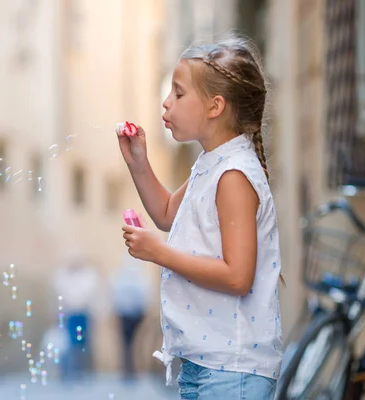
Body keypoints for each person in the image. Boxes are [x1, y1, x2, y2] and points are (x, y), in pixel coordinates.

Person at [117, 35, 283, 399]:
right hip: (207, 364)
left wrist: (158, 253)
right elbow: (164, 214)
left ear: (214, 106)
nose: (166, 102)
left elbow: (238, 276)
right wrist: (139, 163)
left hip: (233, 368)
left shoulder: (234, 175)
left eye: (178, 93)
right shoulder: (211, 165)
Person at [111, 253, 150, 381]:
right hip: (130, 315)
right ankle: (129, 369)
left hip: (130, 315)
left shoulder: (122, 279)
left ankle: (130, 369)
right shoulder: (136, 279)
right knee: (130, 343)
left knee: (129, 343)